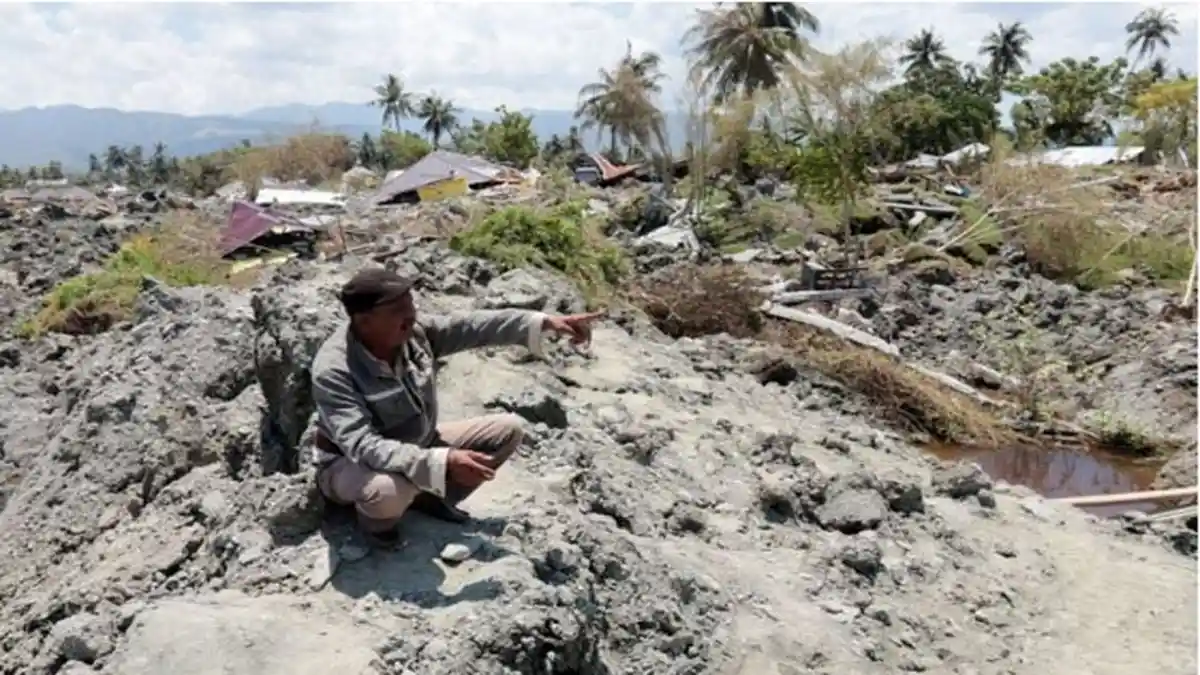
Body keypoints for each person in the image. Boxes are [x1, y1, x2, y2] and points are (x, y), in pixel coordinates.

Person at [310, 267, 603, 546]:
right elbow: (363, 446)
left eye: (410, 304)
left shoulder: (415, 335)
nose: (410, 316)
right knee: (388, 491)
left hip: (417, 444)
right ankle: (377, 530)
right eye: (397, 310)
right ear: (364, 321)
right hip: (350, 464)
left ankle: (428, 497)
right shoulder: (335, 369)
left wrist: (544, 323)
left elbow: (473, 326)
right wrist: (442, 462)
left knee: (507, 432)